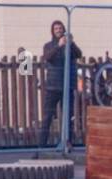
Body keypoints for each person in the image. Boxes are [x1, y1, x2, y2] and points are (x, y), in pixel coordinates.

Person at [39, 21, 82, 150]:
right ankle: (41, 146)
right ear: (52, 31)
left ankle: (66, 143)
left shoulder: (69, 46)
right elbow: (48, 57)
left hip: (67, 86)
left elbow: (79, 54)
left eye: (60, 28)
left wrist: (71, 42)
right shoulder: (48, 45)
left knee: (67, 117)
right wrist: (58, 46)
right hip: (53, 86)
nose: (58, 30)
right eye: (56, 28)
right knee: (47, 116)